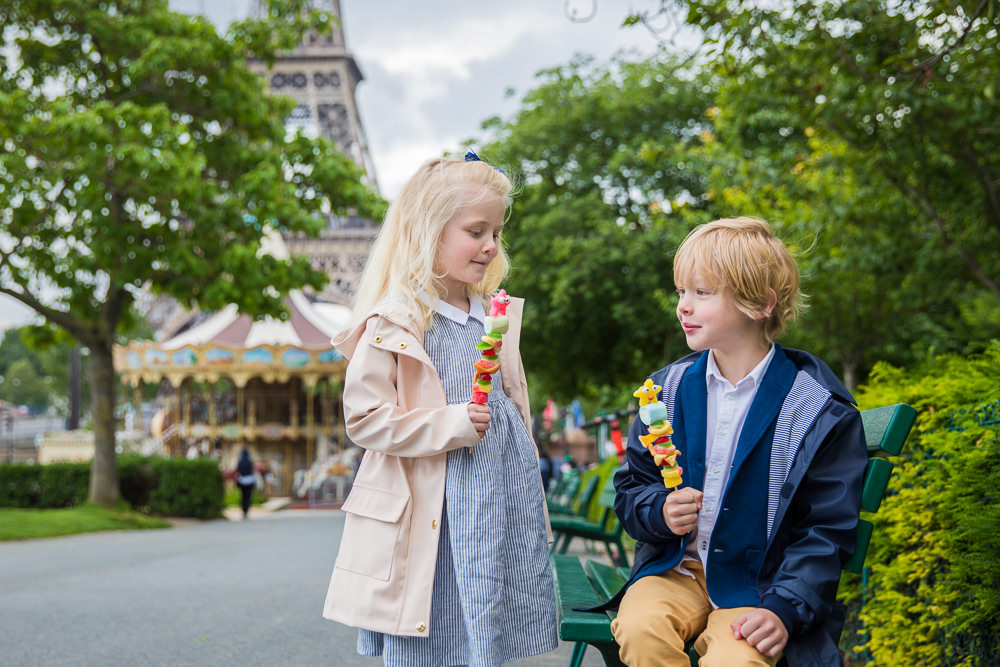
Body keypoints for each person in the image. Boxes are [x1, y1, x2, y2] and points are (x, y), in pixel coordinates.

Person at [321, 153, 558, 666]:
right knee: (432, 625)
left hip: (496, 495)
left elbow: (509, 399)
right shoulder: (399, 320)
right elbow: (364, 419)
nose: (491, 245)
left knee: (487, 618)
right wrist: (448, 423)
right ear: (429, 231)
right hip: (438, 504)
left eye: (496, 231)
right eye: (476, 230)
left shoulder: (494, 313)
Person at [603, 217, 867, 666]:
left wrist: (784, 608)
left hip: (758, 586)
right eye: (681, 292)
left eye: (701, 293)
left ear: (760, 304)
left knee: (738, 660)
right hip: (676, 572)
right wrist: (659, 511)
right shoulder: (665, 392)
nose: (683, 306)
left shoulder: (815, 408)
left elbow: (825, 529)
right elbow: (632, 488)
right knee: (640, 627)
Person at [235, 446, 256, 520]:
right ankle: (246, 511)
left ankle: (243, 511)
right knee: (248, 497)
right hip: (249, 481)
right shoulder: (250, 462)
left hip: (242, 481)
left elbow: (238, 472)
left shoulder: (240, 462)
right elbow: (252, 471)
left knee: (243, 496)